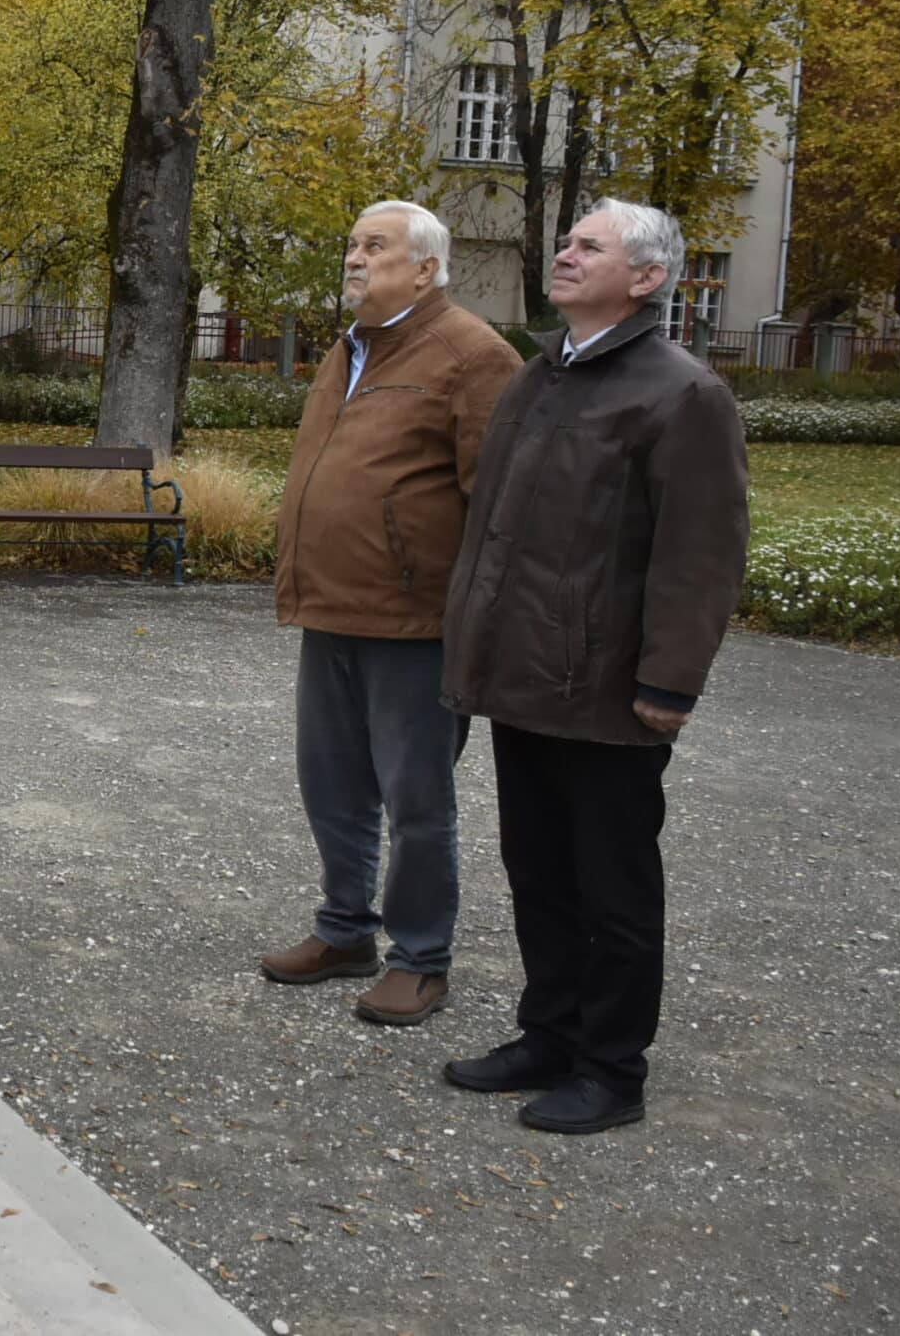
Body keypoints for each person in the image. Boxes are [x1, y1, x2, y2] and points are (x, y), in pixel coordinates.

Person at [439, 197, 749, 1134]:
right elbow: (496, 530)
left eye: (590, 245)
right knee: (537, 870)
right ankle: (550, 1034)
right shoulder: (541, 376)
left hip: (608, 689)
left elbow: (702, 551)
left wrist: (669, 680)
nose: (566, 254)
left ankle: (612, 1068)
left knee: (612, 888)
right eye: (567, 241)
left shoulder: (681, 394)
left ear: (647, 278)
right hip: (523, 673)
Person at [260, 201, 521, 1027]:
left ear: (426, 269)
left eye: (375, 246)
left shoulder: (474, 355)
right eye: (351, 244)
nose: (354, 257)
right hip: (331, 608)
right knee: (332, 787)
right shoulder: (350, 348)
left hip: (415, 626)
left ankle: (421, 957)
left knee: (416, 803)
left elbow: (499, 507)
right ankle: (345, 930)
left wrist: (480, 626)